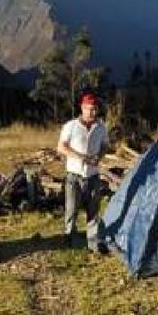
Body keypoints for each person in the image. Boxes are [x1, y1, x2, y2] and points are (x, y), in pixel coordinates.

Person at [57, 92, 109, 252]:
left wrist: (98, 157)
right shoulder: (71, 126)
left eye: (95, 109)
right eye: (89, 109)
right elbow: (61, 147)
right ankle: (69, 241)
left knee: (93, 210)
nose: (93, 112)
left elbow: (105, 146)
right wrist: (81, 157)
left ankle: (93, 243)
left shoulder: (101, 127)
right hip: (74, 175)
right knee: (71, 210)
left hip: (93, 175)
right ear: (82, 108)